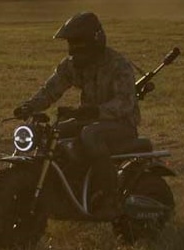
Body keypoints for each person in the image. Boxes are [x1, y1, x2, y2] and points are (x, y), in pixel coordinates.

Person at [12, 12, 139, 219]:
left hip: (121, 124)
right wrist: (29, 107)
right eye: (72, 42)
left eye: (79, 41)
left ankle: (109, 198)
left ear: (95, 39)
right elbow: (50, 90)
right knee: (53, 133)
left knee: (90, 135)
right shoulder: (72, 64)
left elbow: (125, 103)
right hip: (89, 120)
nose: (74, 48)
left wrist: (96, 111)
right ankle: (60, 189)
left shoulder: (118, 65)